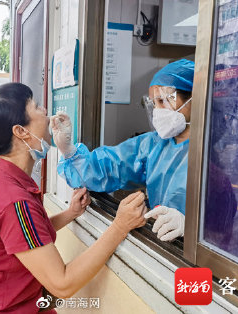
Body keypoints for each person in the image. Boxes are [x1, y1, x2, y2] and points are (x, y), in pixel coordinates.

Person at [0, 83, 147, 313]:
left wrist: (69, 213)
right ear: (20, 131)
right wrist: (120, 225)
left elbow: (23, 238)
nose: (45, 110)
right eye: (37, 106)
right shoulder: (12, 200)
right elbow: (62, 284)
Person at [51, 59, 195, 242]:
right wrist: (70, 152)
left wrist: (190, 225)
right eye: (154, 103)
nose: (158, 110)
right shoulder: (153, 145)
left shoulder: (214, 152)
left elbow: (231, 216)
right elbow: (110, 167)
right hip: (162, 241)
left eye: (164, 101)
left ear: (192, 99)